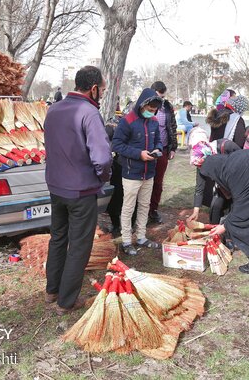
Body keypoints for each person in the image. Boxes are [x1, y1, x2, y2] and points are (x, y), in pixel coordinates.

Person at [44, 66, 112, 315]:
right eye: (102, 90)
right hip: (81, 190)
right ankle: (66, 301)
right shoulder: (89, 113)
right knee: (80, 246)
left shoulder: (54, 109)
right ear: (93, 88)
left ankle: (52, 291)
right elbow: (103, 158)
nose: (103, 94)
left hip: (56, 187)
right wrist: (102, 178)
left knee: (58, 238)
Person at [112, 88, 164, 255]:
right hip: (131, 173)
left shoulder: (154, 121)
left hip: (149, 173)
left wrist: (158, 150)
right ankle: (126, 240)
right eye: (149, 110)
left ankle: (141, 236)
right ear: (142, 105)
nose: (152, 112)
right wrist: (138, 154)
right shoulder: (127, 121)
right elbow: (117, 145)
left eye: (154, 110)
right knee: (128, 208)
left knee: (144, 206)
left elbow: (158, 141)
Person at [148, 81, 178, 224]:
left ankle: (153, 210)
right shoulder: (143, 106)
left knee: (158, 183)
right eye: (159, 97)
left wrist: (173, 148)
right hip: (146, 151)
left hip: (163, 150)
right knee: (143, 183)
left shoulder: (167, 107)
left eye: (163, 97)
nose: (161, 100)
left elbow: (172, 126)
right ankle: (139, 211)